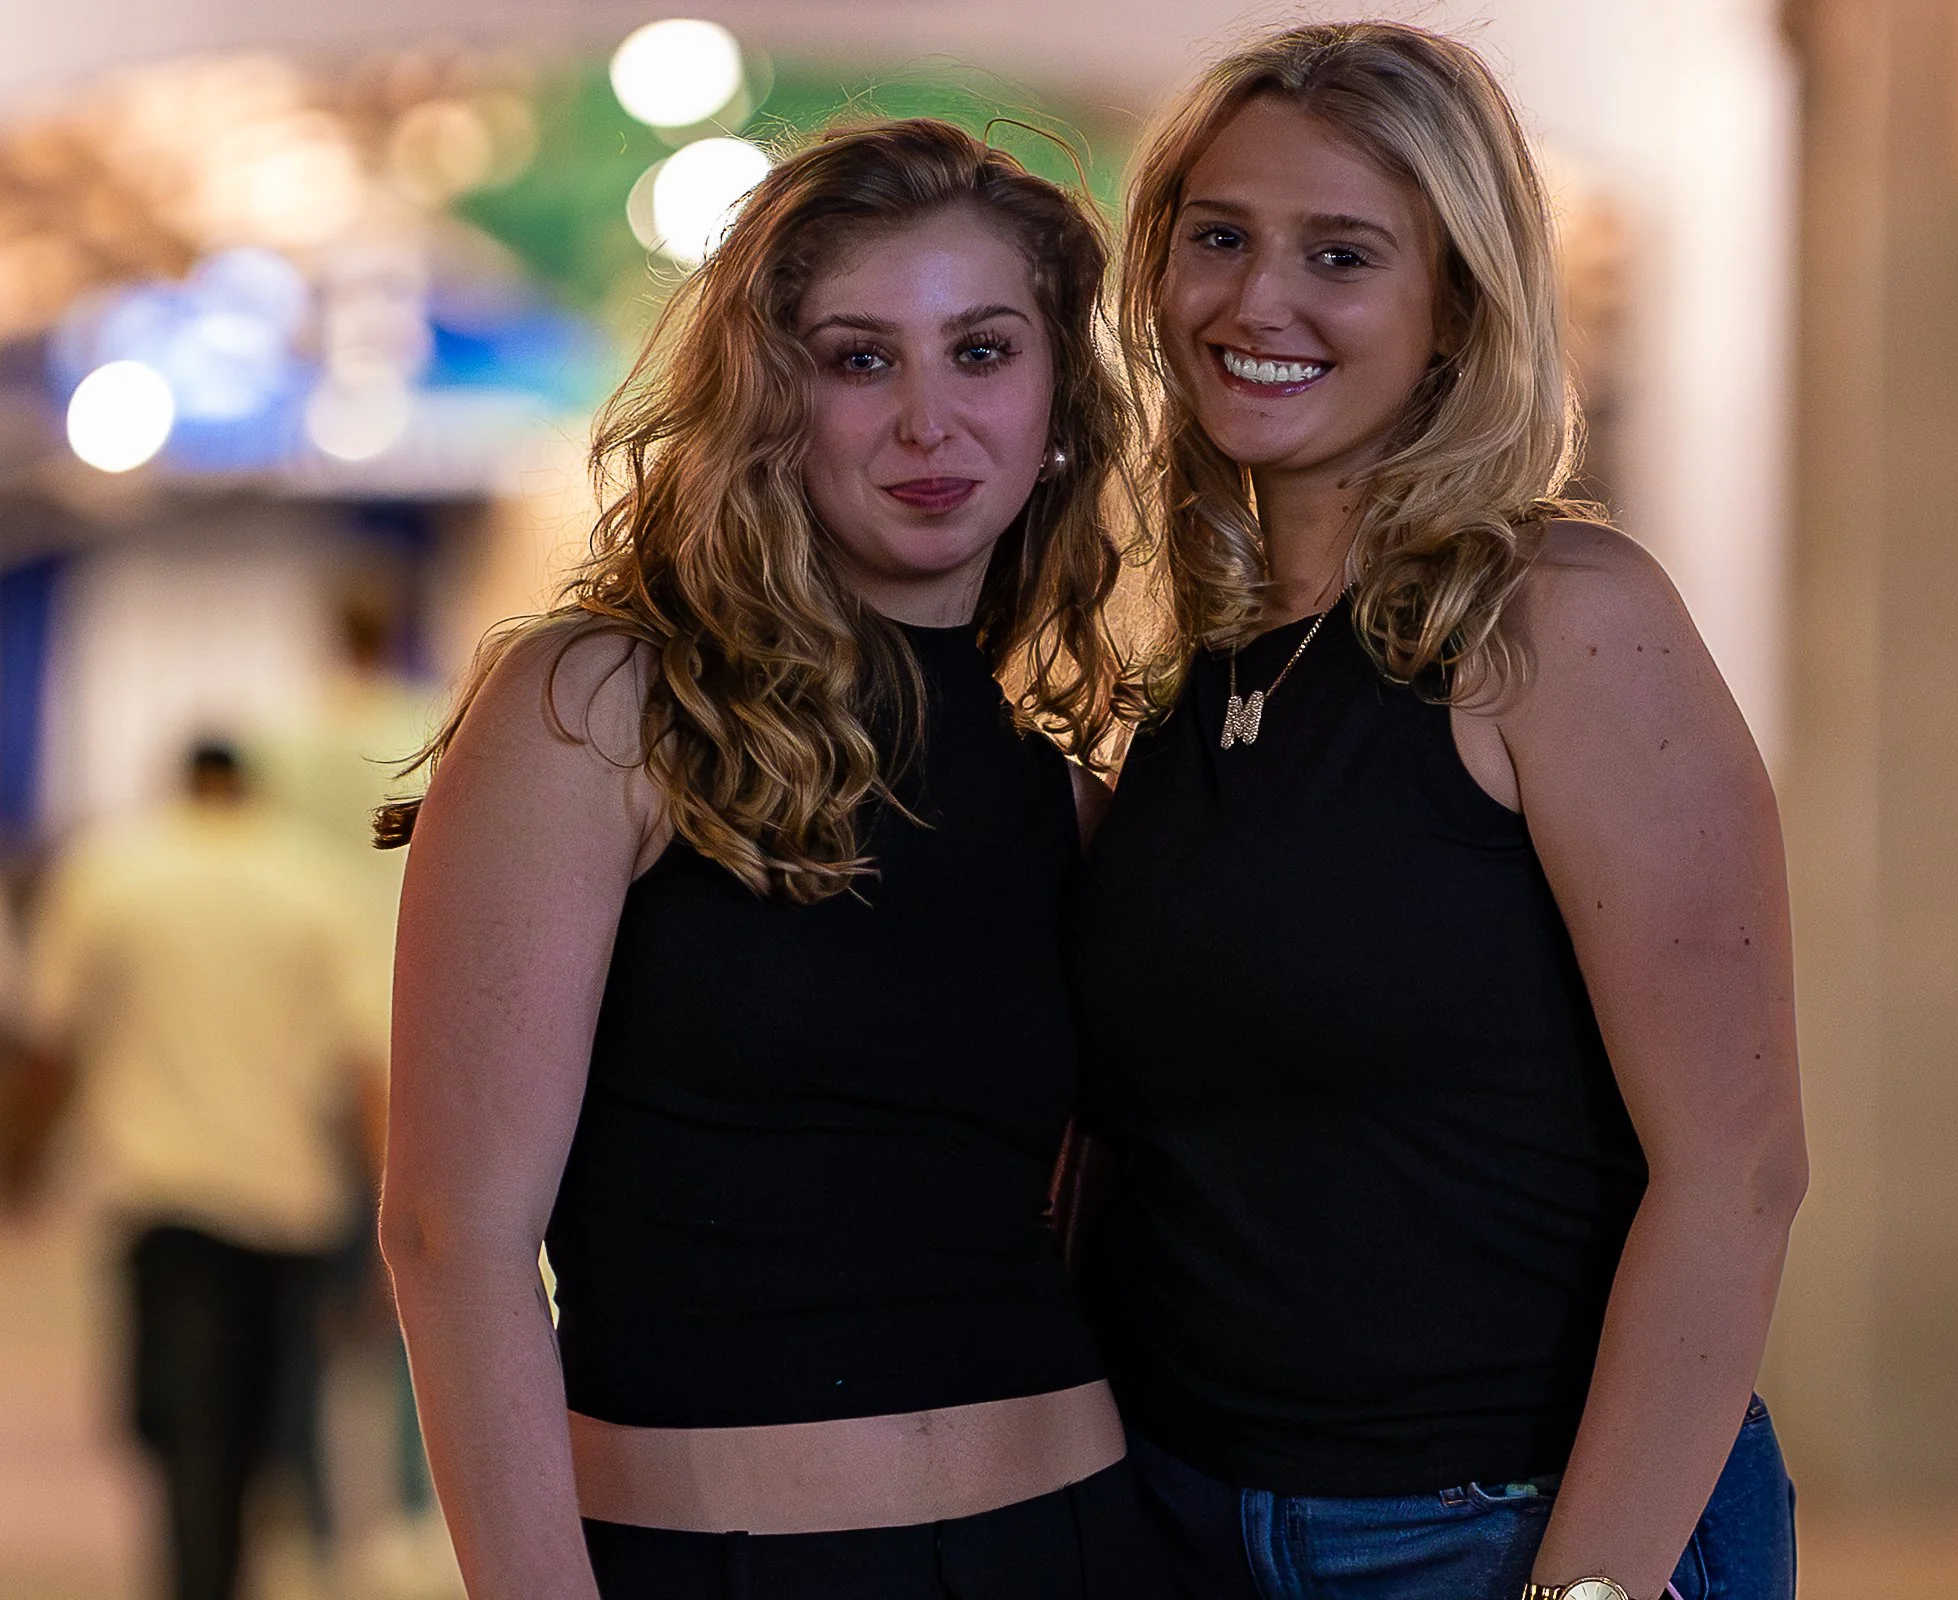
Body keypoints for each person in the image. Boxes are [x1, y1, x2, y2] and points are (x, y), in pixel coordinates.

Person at [376, 119, 1163, 1600]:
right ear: (768, 402)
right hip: (716, 1561)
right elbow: (448, 1235)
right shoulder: (602, 708)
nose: (929, 421)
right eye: (859, 358)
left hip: (1078, 1544)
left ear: (1059, 396)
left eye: (982, 351)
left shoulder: (1071, 803)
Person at [1071, 24, 1807, 1600]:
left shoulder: (1561, 621)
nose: (1257, 302)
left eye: (1340, 255)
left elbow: (1739, 1175)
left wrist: (1585, 1590)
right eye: (1220, 238)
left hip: (1496, 1530)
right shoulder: (1210, 668)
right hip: (1194, 1515)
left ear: (1458, 308)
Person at [17, 737, 388, 1600]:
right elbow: (363, 1067)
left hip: (160, 1197)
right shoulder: (316, 884)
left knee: (178, 1420)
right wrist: (386, 1209)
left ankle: (200, 1573)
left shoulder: (109, 874)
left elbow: (52, 1042)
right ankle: (217, 1565)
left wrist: (24, 1165)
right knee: (253, 1423)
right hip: (286, 1200)